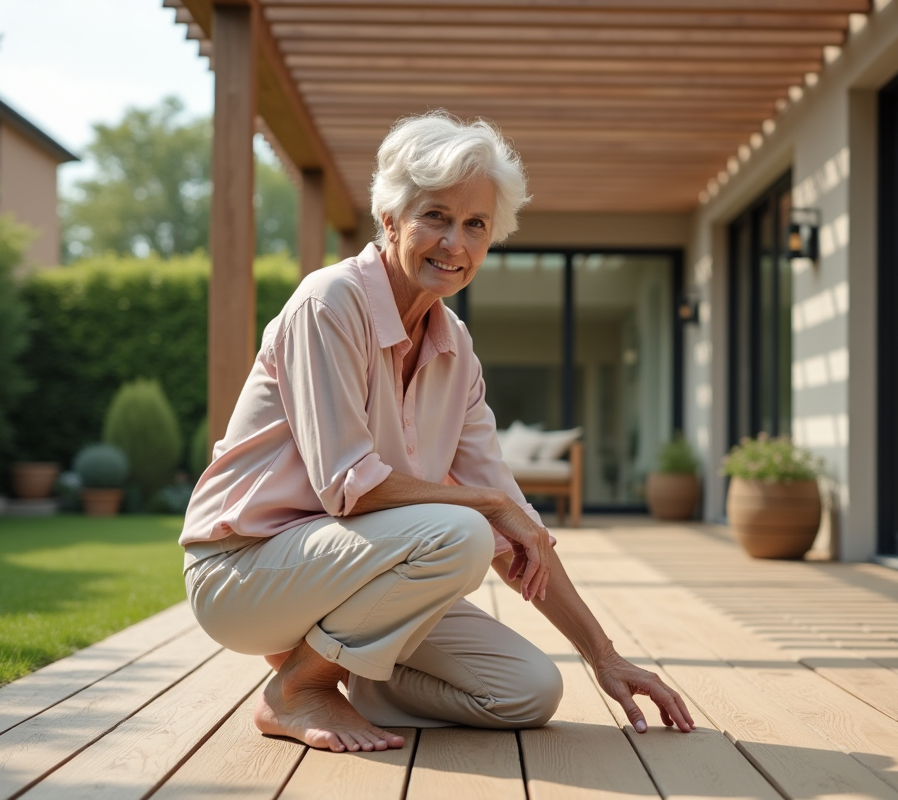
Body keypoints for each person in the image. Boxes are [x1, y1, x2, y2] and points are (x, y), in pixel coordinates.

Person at [180, 111, 695, 754]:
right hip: (244, 573)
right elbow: (352, 489)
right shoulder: (328, 303)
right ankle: (299, 690)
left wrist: (605, 656)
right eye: (435, 217)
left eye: (475, 224)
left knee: (527, 691)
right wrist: (490, 507)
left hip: (350, 577)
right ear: (390, 220)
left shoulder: (456, 348)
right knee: (462, 531)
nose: (455, 242)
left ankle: (336, 669)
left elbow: (515, 524)